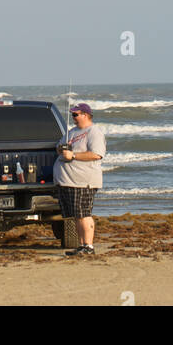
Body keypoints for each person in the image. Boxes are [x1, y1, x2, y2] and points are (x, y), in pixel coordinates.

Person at [54, 102, 107, 256]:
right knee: (76, 215)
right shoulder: (72, 132)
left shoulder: (93, 132)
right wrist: (62, 149)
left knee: (84, 214)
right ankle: (82, 245)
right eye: (73, 114)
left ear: (85, 115)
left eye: (76, 114)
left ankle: (89, 246)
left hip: (84, 181)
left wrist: (74, 155)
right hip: (68, 181)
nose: (74, 117)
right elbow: (59, 146)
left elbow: (96, 154)